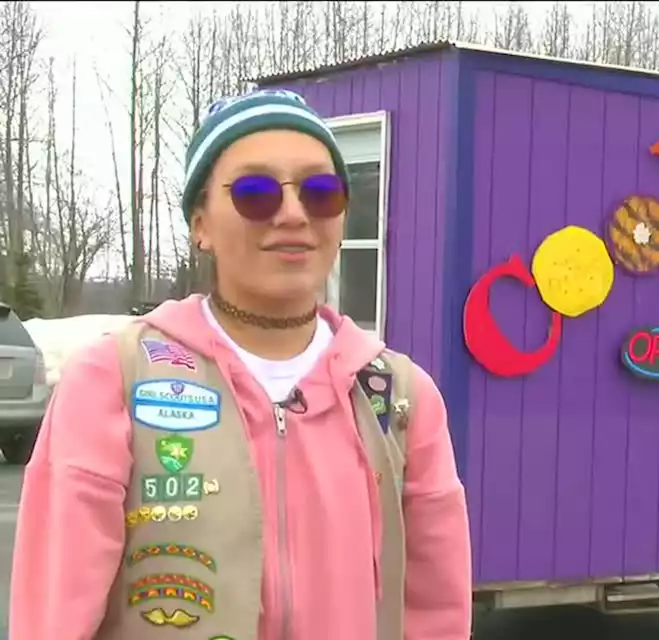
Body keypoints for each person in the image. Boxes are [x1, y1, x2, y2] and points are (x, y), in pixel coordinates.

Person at [8, 89, 472, 639]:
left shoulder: (399, 397)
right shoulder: (115, 379)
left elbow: (436, 610)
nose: (294, 214)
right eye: (256, 192)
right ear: (200, 224)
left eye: (321, 192)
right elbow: (54, 615)